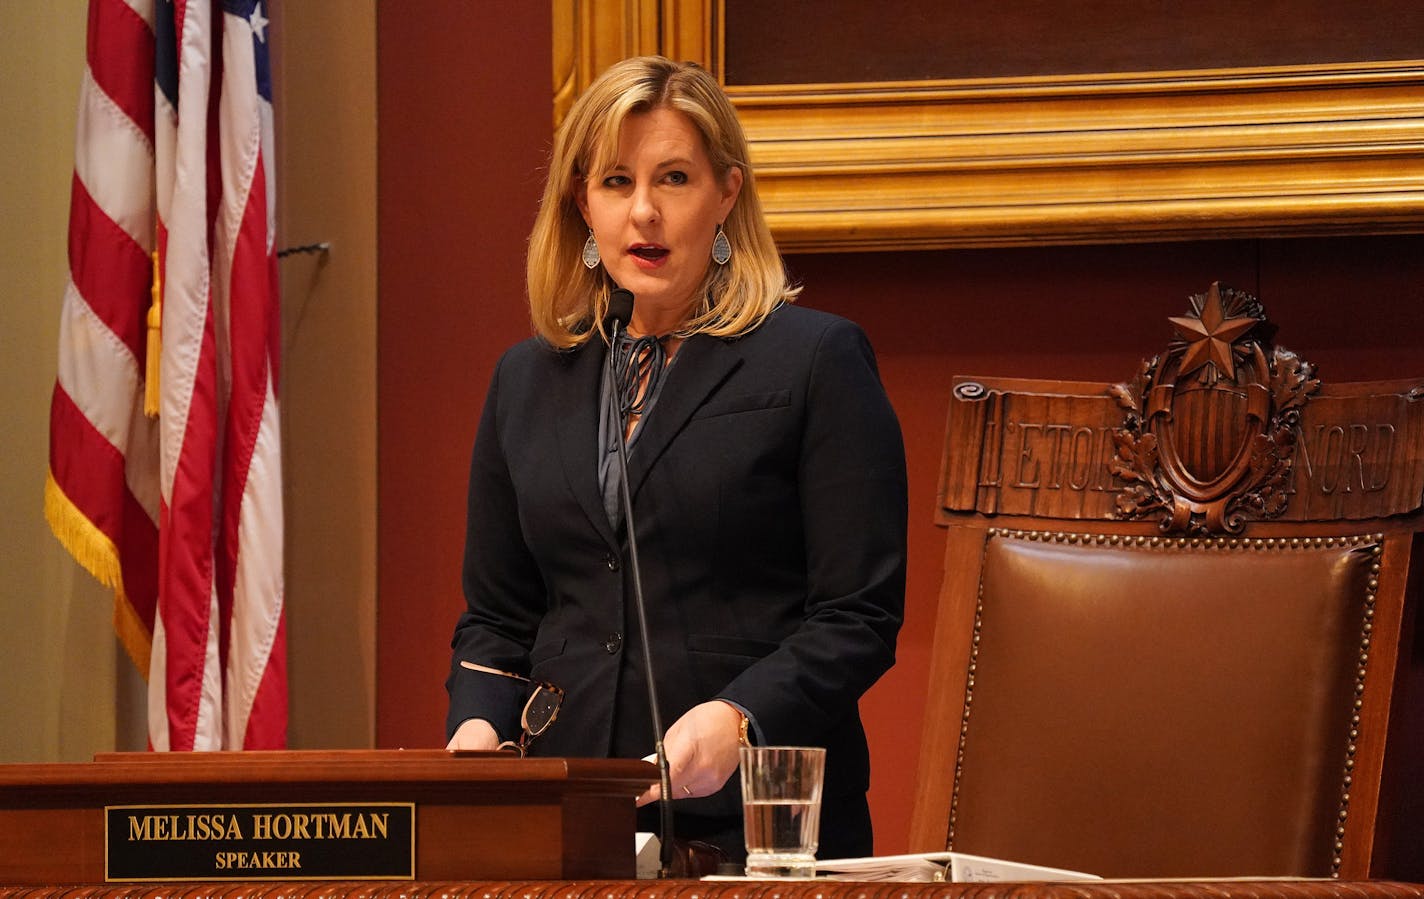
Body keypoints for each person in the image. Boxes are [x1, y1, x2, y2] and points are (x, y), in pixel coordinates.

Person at [445, 55, 907, 863]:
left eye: (676, 179)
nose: (645, 213)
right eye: (617, 182)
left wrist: (738, 720)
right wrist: (478, 727)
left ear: (726, 194)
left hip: (754, 833)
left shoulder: (815, 361)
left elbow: (857, 615)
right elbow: (498, 616)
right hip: (568, 821)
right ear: (581, 202)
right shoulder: (526, 379)